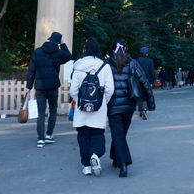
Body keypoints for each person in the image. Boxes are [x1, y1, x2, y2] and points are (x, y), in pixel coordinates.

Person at [107, 40, 154, 177]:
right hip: (129, 105)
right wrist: (150, 102)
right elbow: (143, 81)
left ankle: (123, 164)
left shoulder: (107, 64)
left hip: (113, 106)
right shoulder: (132, 63)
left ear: (112, 49)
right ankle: (117, 159)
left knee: (117, 133)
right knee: (121, 133)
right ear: (125, 48)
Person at [70, 37, 114, 176]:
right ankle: (95, 154)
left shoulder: (77, 67)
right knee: (97, 134)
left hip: (81, 109)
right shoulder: (104, 67)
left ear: (85, 50)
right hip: (98, 109)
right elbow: (109, 89)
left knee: (83, 136)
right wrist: (101, 102)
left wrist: (81, 101)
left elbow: (73, 91)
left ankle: (86, 166)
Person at [26, 31, 72, 148]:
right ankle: (49, 135)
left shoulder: (37, 52)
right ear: (57, 42)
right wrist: (63, 44)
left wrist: (29, 86)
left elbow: (31, 70)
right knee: (52, 110)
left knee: (41, 112)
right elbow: (69, 56)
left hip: (40, 86)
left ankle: (40, 138)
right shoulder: (58, 53)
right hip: (52, 86)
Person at [135, 47, 155, 120]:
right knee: (146, 94)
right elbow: (151, 72)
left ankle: (140, 110)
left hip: (138, 81)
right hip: (147, 80)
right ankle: (144, 109)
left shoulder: (136, 61)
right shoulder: (150, 61)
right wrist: (152, 82)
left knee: (140, 95)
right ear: (146, 53)